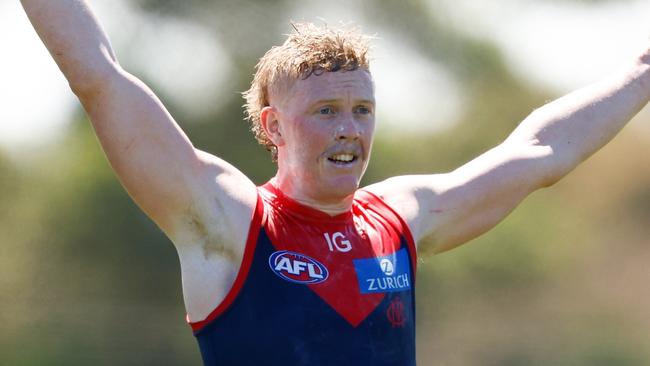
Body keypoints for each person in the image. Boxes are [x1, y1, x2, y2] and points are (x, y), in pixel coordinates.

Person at [20, 0, 650, 365]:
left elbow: (538, 151)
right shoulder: (228, 222)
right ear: (273, 126)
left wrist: (644, 72)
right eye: (326, 112)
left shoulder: (399, 218)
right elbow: (99, 77)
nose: (350, 130)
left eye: (362, 111)